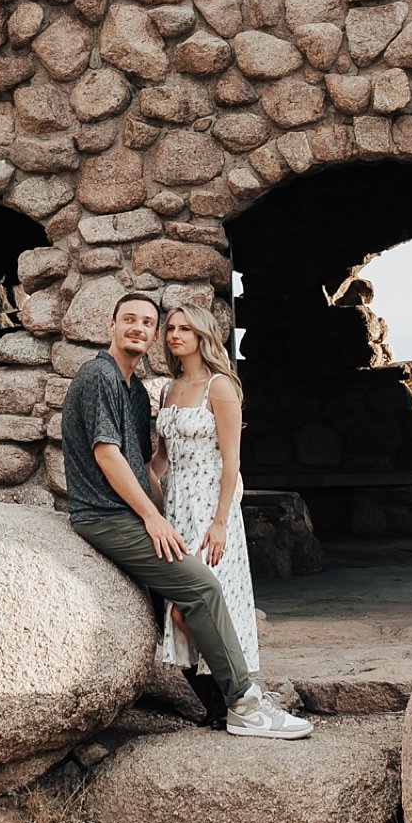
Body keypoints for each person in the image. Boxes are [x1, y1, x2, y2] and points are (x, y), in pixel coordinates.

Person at [61, 292, 312, 740]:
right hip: (105, 515)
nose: (142, 329)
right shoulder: (99, 376)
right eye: (130, 320)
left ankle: (223, 705)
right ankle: (244, 704)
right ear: (110, 325)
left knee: (190, 596)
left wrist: (207, 513)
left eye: (149, 323)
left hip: (155, 512)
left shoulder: (138, 393)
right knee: (199, 588)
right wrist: (155, 517)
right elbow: (108, 455)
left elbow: (148, 465)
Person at [150, 304, 261, 731]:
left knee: (198, 606)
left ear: (202, 335)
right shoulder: (168, 389)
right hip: (176, 506)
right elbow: (160, 460)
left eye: (185, 329)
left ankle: (230, 699)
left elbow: (231, 461)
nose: (175, 335)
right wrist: (142, 494)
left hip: (212, 508)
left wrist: (219, 522)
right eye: (171, 329)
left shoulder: (221, 387)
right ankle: (215, 706)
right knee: (178, 607)